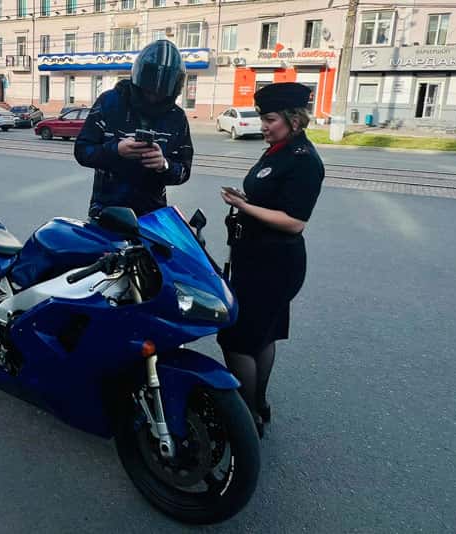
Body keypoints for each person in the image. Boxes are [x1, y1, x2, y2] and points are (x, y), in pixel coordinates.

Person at [217, 82, 324, 438]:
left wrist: (244, 206)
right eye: (263, 118)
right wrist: (246, 199)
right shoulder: (278, 150)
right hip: (257, 257)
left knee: (235, 340)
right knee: (263, 336)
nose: (263, 125)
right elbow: (271, 198)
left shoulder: (304, 160)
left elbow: (294, 221)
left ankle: (245, 416)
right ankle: (258, 406)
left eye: (270, 119)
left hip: (274, 264)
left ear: (294, 120)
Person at [74, 40, 193, 218]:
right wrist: (116, 150)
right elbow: (82, 150)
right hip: (107, 214)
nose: (153, 99)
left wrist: (164, 165)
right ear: (138, 82)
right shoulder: (109, 103)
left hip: (152, 217)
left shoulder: (177, 117)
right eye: (148, 92)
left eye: (160, 95)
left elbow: (184, 170)